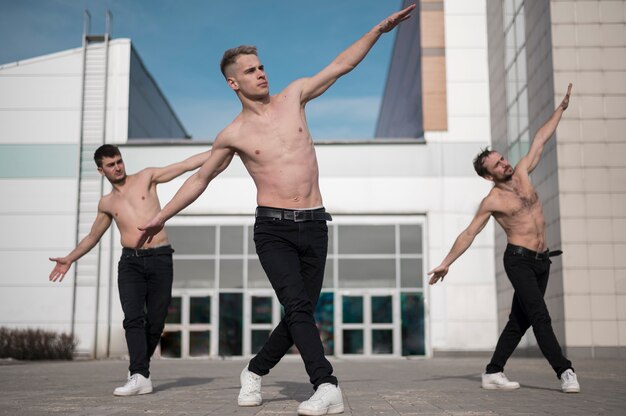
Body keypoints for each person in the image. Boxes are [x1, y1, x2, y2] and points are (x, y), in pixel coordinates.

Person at [135, 4, 416, 414]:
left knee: (299, 312)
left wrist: (378, 30)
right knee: (298, 307)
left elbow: (340, 65)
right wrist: (161, 216)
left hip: (316, 224)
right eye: (250, 70)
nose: (261, 73)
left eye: (261, 66)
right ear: (233, 83)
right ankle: (326, 384)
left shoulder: (295, 97)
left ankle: (253, 371)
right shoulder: (233, 134)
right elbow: (200, 179)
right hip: (273, 230)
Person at [428, 84, 580, 394]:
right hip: (519, 260)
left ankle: (493, 371)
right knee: (539, 315)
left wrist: (560, 109)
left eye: (503, 159)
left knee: (520, 320)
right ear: (488, 175)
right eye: (497, 164)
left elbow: (540, 138)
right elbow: (469, 233)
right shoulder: (492, 201)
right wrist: (445, 263)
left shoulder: (523, 171)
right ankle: (564, 370)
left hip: (543, 260)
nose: (505, 163)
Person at [49, 144, 212, 396]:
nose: (117, 167)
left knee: (156, 322)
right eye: (111, 164)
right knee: (133, 318)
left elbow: (183, 166)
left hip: (160, 257)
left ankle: (139, 370)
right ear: (101, 170)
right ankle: (138, 373)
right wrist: (70, 258)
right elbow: (93, 236)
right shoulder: (107, 203)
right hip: (130, 264)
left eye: (119, 161)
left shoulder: (146, 178)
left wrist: (223, 150)